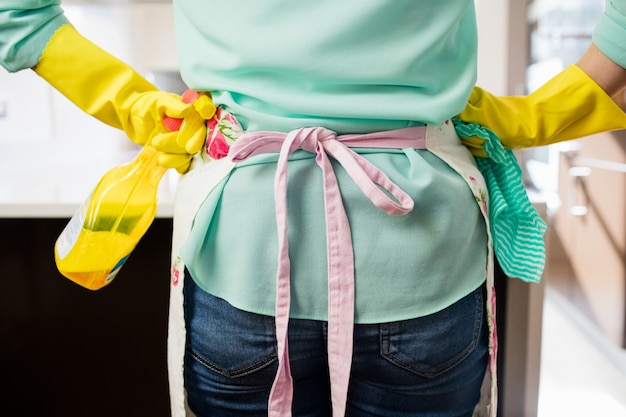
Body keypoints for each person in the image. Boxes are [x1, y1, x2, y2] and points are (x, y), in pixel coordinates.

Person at [2, 2, 625, 416]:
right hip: (427, 265)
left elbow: (19, 15)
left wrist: (138, 105)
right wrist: (543, 113)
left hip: (241, 258)